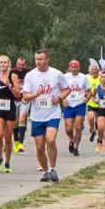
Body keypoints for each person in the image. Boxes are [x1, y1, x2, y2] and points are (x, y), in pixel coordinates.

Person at [21, 49, 70, 182]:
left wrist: (59, 98)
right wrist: (36, 94)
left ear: (47, 59)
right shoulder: (30, 76)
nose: (38, 62)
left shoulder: (56, 74)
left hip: (52, 114)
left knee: (51, 140)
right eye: (36, 59)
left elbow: (67, 89)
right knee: (40, 147)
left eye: (41, 59)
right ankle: (46, 170)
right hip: (37, 115)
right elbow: (25, 96)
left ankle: (53, 169)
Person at [0, 55, 21, 173]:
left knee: (8, 137)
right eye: (1, 62)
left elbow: (18, 94)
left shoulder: (13, 76)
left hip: (10, 108)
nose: (3, 64)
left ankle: (7, 162)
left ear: (9, 63)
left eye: (5, 62)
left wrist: (10, 85)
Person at [63, 60, 92, 156]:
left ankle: (76, 147)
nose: (74, 69)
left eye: (76, 67)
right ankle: (72, 140)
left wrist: (87, 98)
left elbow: (89, 91)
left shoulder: (83, 77)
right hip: (69, 104)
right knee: (68, 129)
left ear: (79, 67)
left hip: (79, 104)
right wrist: (63, 99)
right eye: (72, 67)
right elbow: (60, 89)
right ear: (70, 67)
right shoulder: (65, 76)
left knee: (78, 127)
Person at [12, 56, 31, 152]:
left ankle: (20, 143)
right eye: (19, 64)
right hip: (14, 99)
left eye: (22, 65)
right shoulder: (12, 72)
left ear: (26, 64)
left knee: (22, 117)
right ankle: (15, 141)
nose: (20, 67)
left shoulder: (29, 72)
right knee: (15, 122)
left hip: (25, 99)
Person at [86, 64, 101, 142]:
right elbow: (88, 91)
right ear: (90, 71)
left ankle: (99, 137)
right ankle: (92, 130)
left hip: (100, 102)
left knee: (98, 122)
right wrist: (92, 98)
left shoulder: (101, 79)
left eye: (95, 69)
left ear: (98, 71)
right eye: (93, 70)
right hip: (91, 101)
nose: (94, 71)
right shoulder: (88, 79)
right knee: (91, 117)